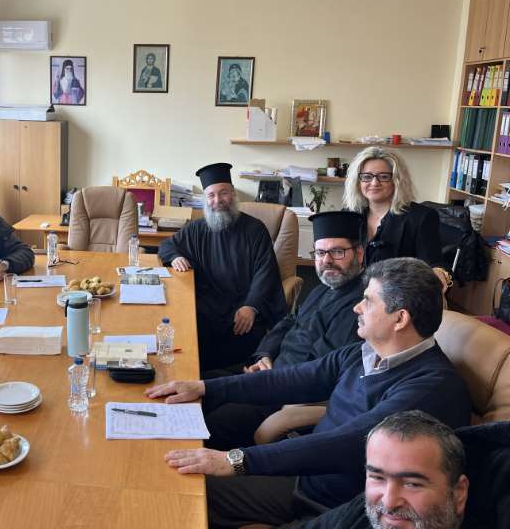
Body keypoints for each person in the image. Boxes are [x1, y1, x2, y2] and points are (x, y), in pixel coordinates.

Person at [145, 257, 471, 528]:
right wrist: (203, 387)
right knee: (179, 489)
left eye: (369, 301)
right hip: (305, 480)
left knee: (189, 502)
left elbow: (349, 442)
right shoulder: (365, 352)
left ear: (400, 319)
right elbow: (289, 380)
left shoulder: (431, 386)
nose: (357, 307)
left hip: (340, 508)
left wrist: (237, 459)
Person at [205, 210, 366, 450]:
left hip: (287, 394)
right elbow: (289, 321)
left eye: (337, 252)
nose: (327, 260)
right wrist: (264, 355)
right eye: (320, 253)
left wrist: (268, 378)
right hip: (269, 374)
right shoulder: (323, 288)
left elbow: (323, 368)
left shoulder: (360, 304)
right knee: (199, 386)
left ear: (359, 253)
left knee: (210, 425)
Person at [158, 162, 287, 371]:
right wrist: (174, 257)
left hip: (241, 310)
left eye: (223, 193)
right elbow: (167, 245)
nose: (217, 201)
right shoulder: (197, 228)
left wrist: (251, 306)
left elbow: (266, 272)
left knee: (240, 347)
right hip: (207, 309)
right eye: (211, 195)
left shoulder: (255, 229)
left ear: (233, 194)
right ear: (205, 199)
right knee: (182, 329)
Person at [296, 410, 470, 529]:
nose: (388, 503)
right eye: (377, 477)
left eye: (412, 484)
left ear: (459, 493)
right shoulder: (359, 512)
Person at [344, 146, 451, 290]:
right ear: (358, 181)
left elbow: (433, 264)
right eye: (367, 177)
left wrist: (439, 272)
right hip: (352, 292)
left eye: (383, 177)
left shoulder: (420, 217)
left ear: (397, 180)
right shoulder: (348, 215)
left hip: (396, 296)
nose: (374, 183)